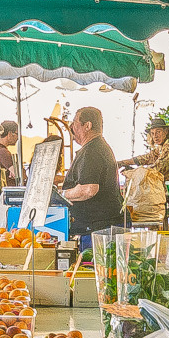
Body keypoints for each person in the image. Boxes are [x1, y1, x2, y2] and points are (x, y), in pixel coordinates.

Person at [59, 106, 125, 247]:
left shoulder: (92, 150)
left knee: (98, 267)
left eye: (75, 123)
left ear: (87, 125)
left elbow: (89, 189)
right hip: (100, 225)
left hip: (99, 228)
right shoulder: (96, 147)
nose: (71, 128)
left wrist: (61, 194)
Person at [0, 121, 22, 186]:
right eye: (17, 134)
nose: (18, 138)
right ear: (9, 134)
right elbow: (18, 174)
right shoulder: (3, 152)